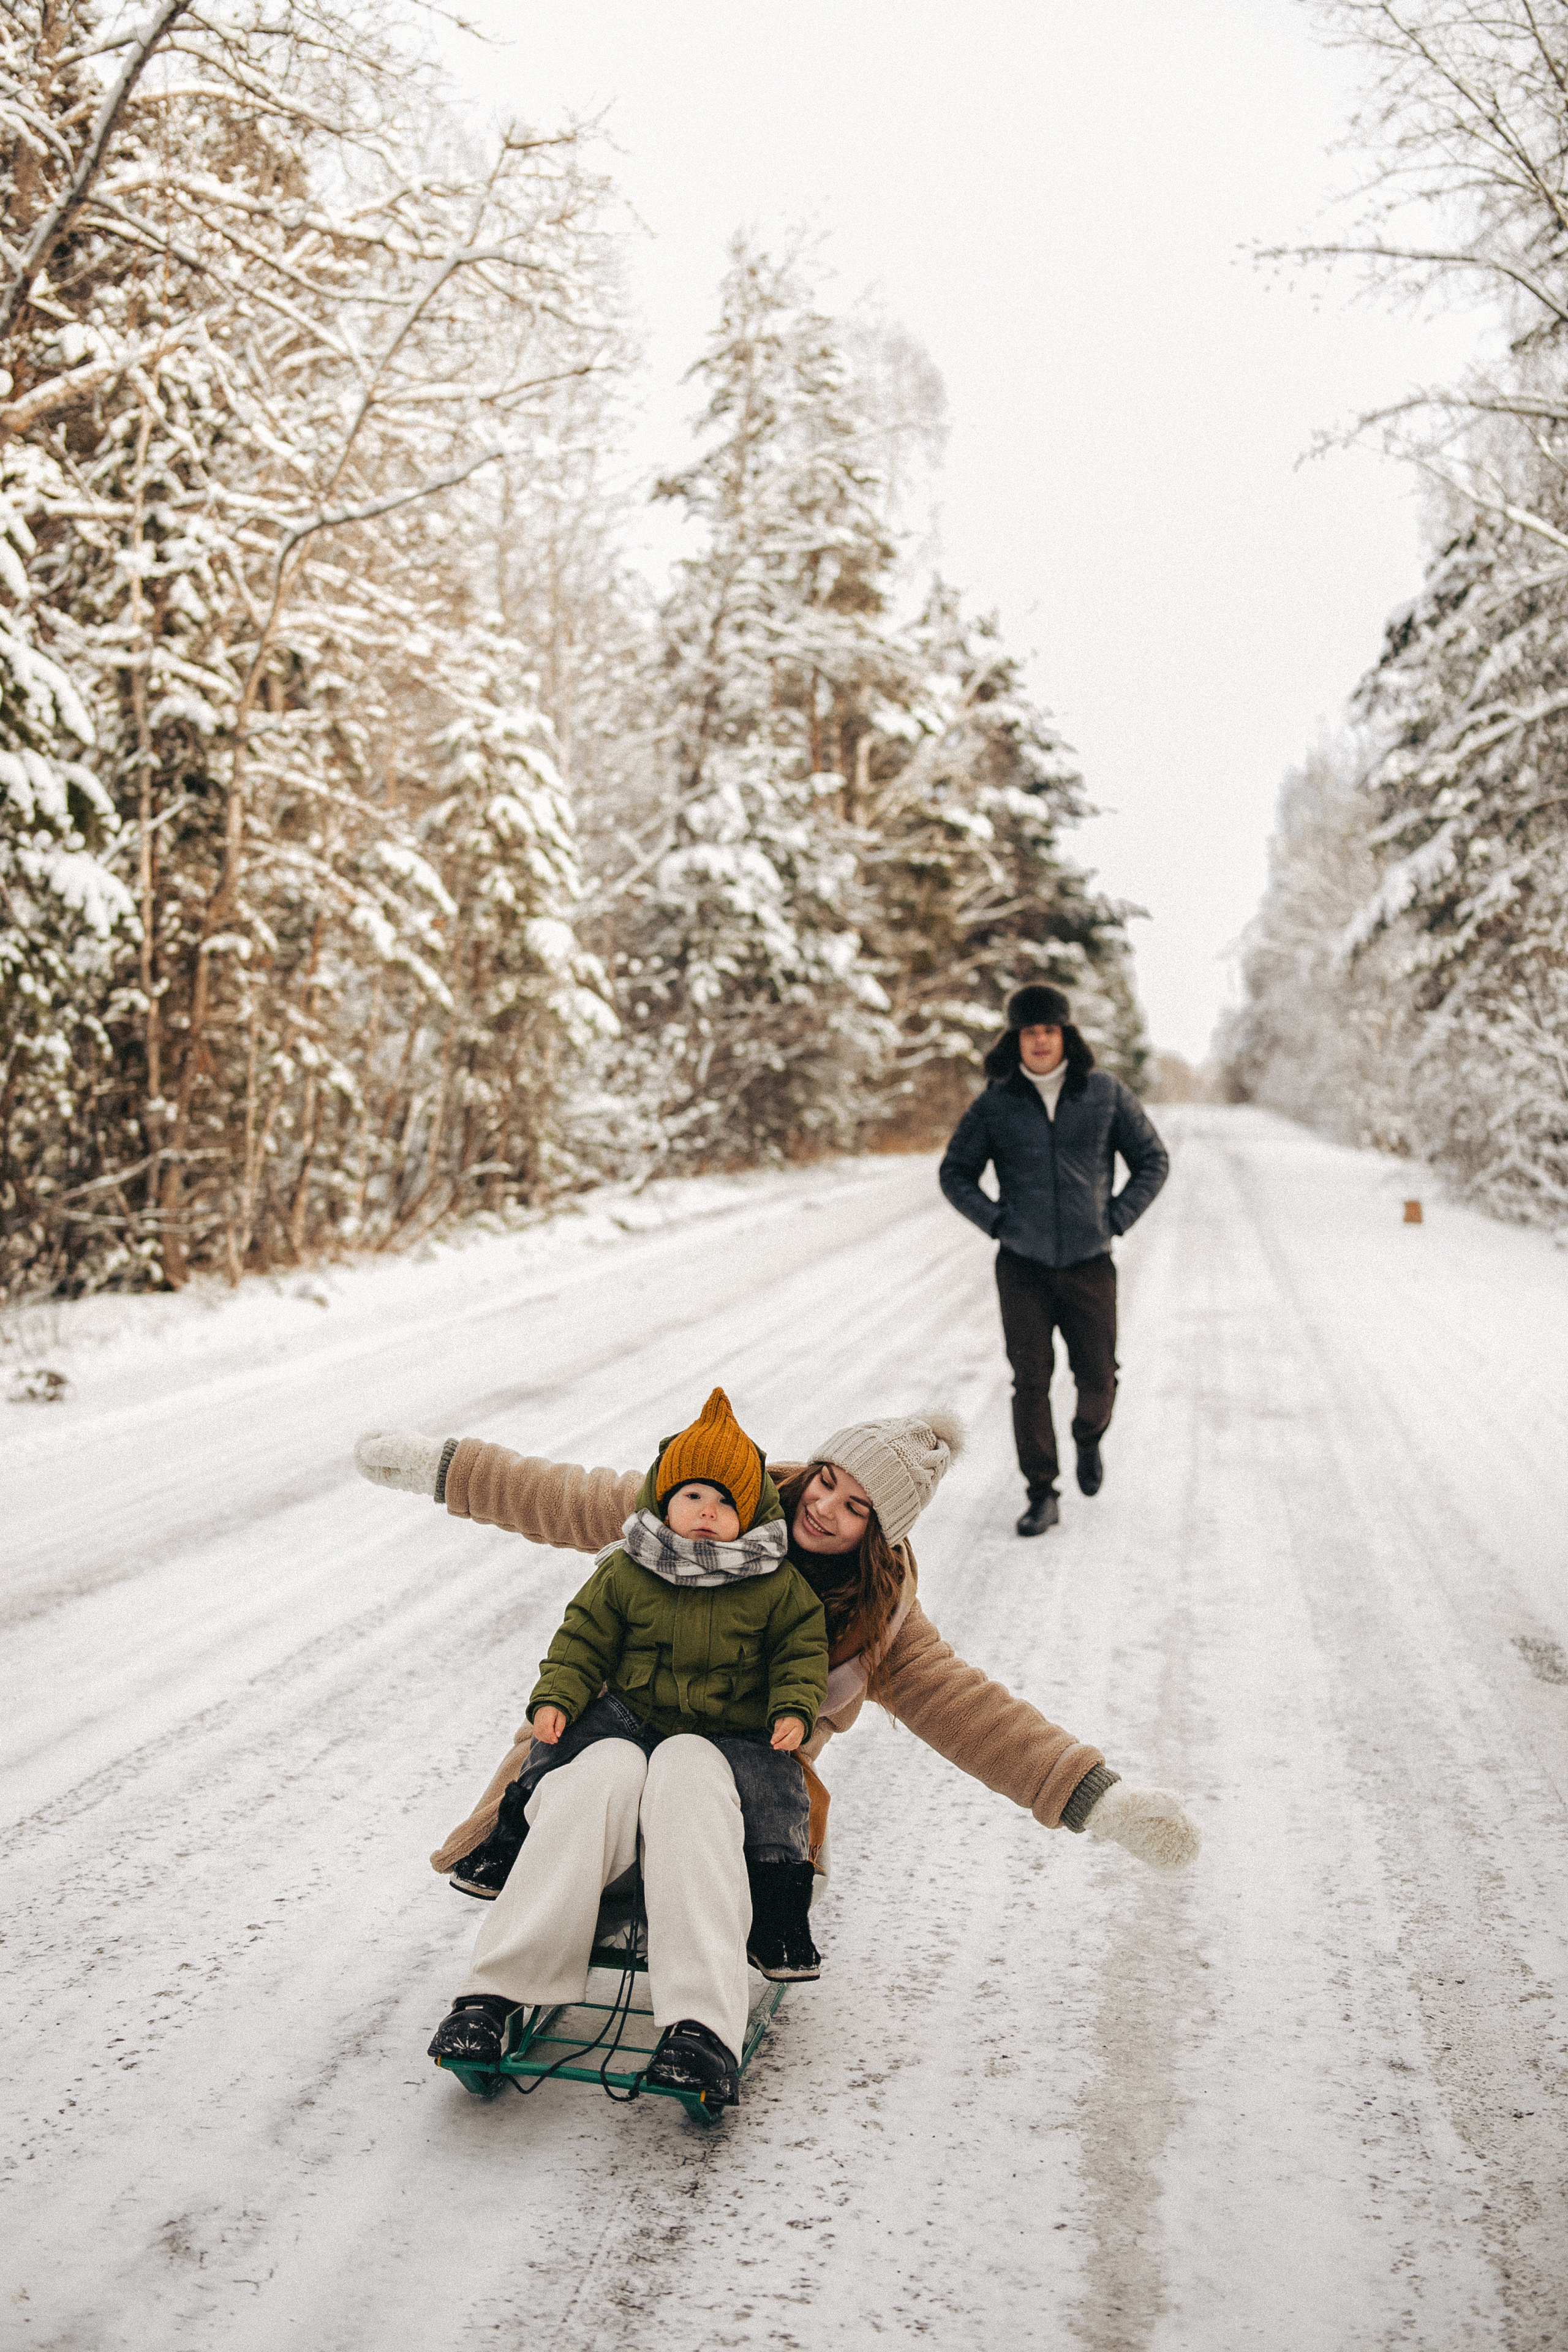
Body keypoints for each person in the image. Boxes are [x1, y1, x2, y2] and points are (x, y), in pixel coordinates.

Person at [356, 1402, 1200, 2105]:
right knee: (602, 1771)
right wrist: (438, 1466)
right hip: (598, 1778)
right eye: (826, 1480)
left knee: (691, 1770)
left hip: (728, 1820)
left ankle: (701, 2026)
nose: (825, 1508)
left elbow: (974, 1715)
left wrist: (1101, 1800)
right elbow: (559, 1494)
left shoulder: (875, 1619)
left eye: (855, 1507)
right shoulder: (713, 1500)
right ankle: (496, 1994)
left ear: (880, 1534)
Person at [483, 1385, 830, 1996]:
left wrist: (794, 1710)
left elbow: (800, 1654)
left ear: (750, 1515)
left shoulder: (776, 1584)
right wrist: (556, 1698)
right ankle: (509, 1841)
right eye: (693, 1496)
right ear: (664, 1501)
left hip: (733, 1730)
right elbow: (582, 1639)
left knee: (777, 1790)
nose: (707, 1511)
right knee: (562, 1747)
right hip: (636, 1713)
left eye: (725, 1502)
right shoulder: (628, 1568)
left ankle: (778, 1912)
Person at [938, 984, 1169, 1539]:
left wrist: (1115, 1218)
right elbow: (955, 1173)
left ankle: (1088, 1437)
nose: (1040, 1041)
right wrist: (997, 1222)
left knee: (1099, 1375)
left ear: (1066, 1034)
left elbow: (1152, 1160)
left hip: (1091, 1262)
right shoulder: (996, 1103)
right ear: (1015, 1039)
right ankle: (1041, 1493)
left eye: (1049, 1030)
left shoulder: (1104, 1094)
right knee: (1030, 1381)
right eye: (1029, 1032)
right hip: (1023, 1266)